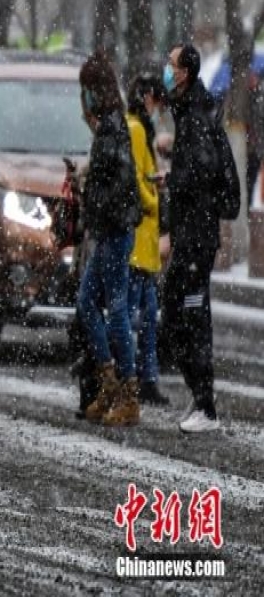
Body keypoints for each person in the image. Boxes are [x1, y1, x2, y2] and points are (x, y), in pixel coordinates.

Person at [162, 44, 239, 433]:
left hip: (197, 237)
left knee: (188, 316)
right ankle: (201, 397)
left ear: (185, 73)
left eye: (171, 65)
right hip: (193, 234)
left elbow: (201, 171)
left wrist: (175, 180)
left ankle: (205, 406)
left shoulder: (195, 117)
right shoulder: (193, 111)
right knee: (183, 314)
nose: (166, 70)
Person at [77, 51, 142, 426]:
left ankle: (128, 393)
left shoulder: (114, 129)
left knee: (116, 309)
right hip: (107, 232)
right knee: (87, 303)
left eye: (85, 90)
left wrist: (90, 194)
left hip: (115, 232)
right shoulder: (107, 128)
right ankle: (110, 382)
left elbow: (118, 187)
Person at [126, 74, 170, 406]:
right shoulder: (137, 129)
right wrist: (154, 197)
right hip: (139, 239)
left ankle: (142, 378)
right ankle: (138, 379)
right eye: (156, 100)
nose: (157, 108)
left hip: (145, 241)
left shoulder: (141, 129)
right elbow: (137, 179)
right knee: (137, 315)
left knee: (144, 315)